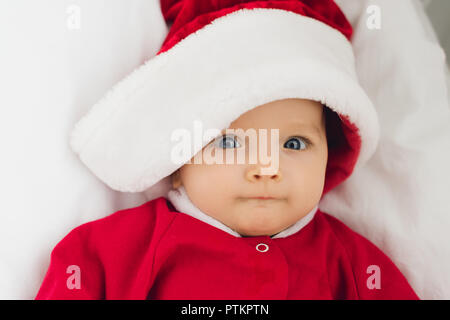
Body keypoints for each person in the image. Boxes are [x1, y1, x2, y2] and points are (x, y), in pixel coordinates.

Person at [36, 0, 419, 299]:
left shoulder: (353, 264)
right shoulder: (115, 253)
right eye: (229, 142)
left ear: (329, 155)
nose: (266, 166)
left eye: (294, 143)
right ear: (178, 158)